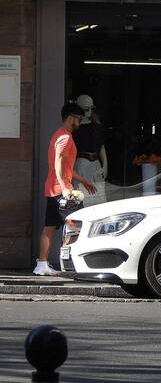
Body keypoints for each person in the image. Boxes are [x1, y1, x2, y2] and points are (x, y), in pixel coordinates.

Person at [34, 102, 96, 276]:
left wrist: (83, 180)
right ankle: (72, 263)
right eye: (79, 118)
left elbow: (65, 167)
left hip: (54, 189)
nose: (80, 122)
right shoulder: (65, 137)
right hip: (62, 191)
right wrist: (64, 187)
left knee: (50, 227)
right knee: (76, 226)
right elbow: (58, 163)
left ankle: (42, 264)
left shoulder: (59, 135)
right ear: (70, 118)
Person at [73, 94, 108, 206]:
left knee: (98, 199)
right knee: (83, 198)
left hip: (96, 164)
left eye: (91, 108)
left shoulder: (96, 125)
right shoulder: (74, 128)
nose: (89, 111)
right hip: (82, 163)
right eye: (86, 109)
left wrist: (105, 166)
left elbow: (102, 147)